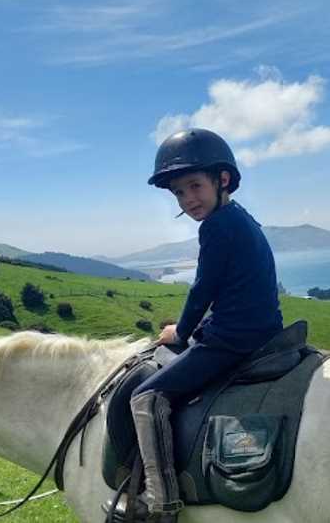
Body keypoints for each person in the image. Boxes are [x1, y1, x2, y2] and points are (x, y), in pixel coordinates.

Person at [105, 128, 284, 523]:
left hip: (233, 339)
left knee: (146, 398)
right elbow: (229, 288)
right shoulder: (240, 218)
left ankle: (162, 501)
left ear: (222, 180)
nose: (188, 200)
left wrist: (182, 332)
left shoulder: (216, 227)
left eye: (194, 186)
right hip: (261, 328)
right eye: (179, 193)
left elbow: (203, 289)